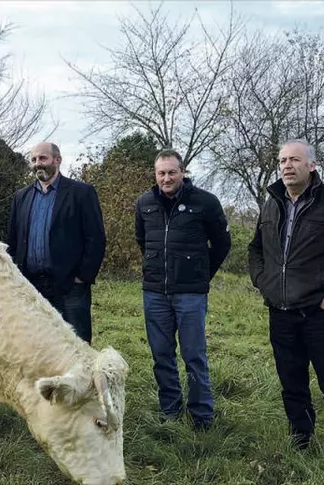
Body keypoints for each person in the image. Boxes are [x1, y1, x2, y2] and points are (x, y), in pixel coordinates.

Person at [248, 139, 324, 468]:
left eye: (295, 160)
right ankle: (301, 438)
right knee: (292, 381)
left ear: (312, 166)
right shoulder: (271, 203)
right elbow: (255, 250)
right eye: (282, 161)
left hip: (321, 313)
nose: (287, 166)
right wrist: (263, 282)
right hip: (281, 313)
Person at [134, 149, 231, 430]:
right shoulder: (144, 203)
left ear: (182, 172)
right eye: (161, 173)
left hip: (190, 293)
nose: (166, 178)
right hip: (155, 293)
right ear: (155, 175)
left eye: (171, 172)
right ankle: (170, 411)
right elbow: (143, 240)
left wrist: (201, 275)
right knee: (161, 354)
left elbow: (222, 244)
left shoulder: (205, 202)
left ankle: (202, 415)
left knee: (193, 355)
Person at [7, 142, 106, 344]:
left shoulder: (81, 193)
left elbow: (95, 238)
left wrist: (82, 277)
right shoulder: (21, 197)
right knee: (37, 343)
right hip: (31, 286)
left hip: (70, 286)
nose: (37, 164)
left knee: (76, 344)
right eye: (33, 160)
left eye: (43, 158)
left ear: (57, 160)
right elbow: (14, 240)